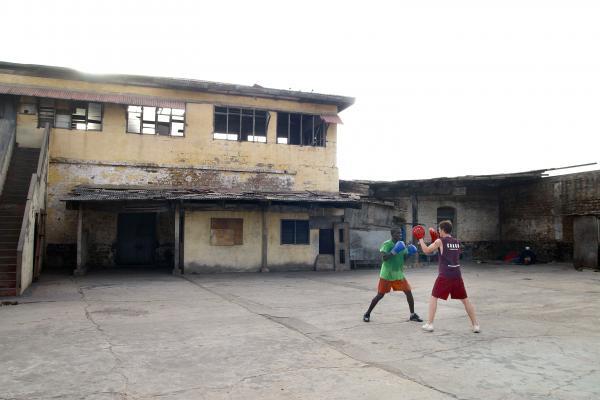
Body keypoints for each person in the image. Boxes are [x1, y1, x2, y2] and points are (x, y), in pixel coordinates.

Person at [417, 220, 480, 333]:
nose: (438, 231)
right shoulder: (457, 242)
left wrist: (420, 238)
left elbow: (426, 251)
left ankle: (430, 324)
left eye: (439, 229)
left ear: (442, 230)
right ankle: (475, 325)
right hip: (457, 274)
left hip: (445, 275)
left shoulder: (440, 241)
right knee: (465, 300)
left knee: (433, 297)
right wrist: (436, 240)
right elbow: (447, 252)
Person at [363, 229, 422, 323]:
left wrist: (410, 253)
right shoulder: (387, 244)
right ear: (392, 234)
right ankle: (367, 313)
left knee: (408, 292)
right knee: (380, 295)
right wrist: (394, 251)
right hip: (387, 274)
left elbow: (404, 259)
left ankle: (412, 315)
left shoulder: (402, 244)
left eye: (401, 233)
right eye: (397, 233)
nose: (400, 234)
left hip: (398, 274)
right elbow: (384, 258)